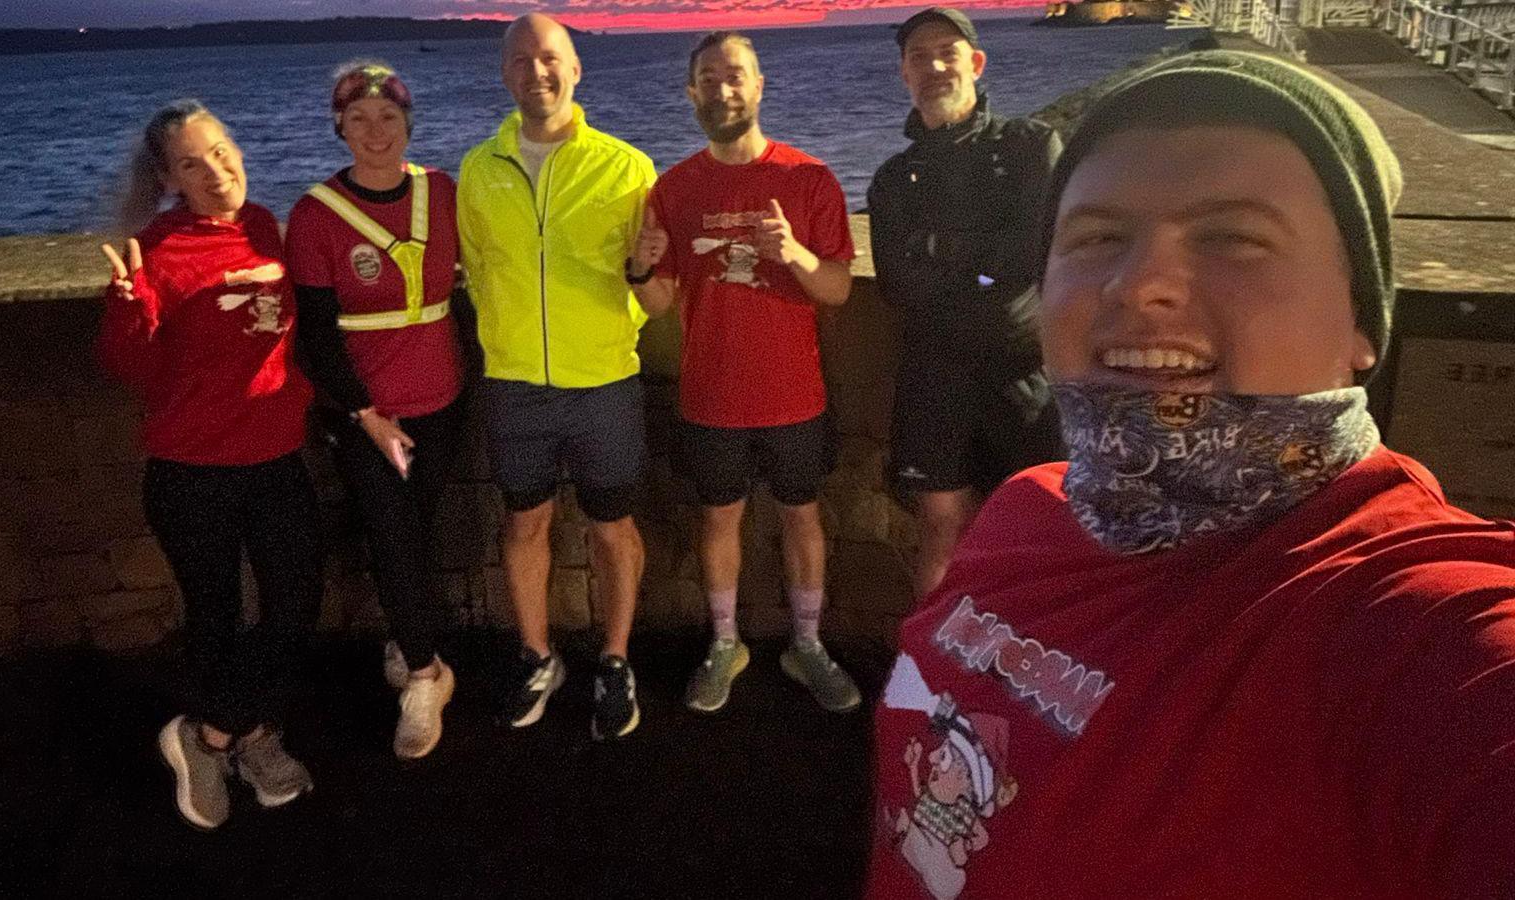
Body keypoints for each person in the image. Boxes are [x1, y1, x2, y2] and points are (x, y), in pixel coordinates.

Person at [866, 51, 1515, 897]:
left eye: (1232, 239)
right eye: (1096, 238)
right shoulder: (1028, 508)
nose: (1139, 286)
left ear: (1363, 318)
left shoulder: (1415, 637)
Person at [98, 100, 321, 830]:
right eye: (192, 163)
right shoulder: (156, 253)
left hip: (276, 457)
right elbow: (133, 370)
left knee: (293, 603)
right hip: (193, 470)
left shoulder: (261, 225)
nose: (216, 170)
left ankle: (207, 737)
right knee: (217, 616)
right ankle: (251, 740)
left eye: (221, 150)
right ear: (169, 178)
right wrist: (131, 306)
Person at [631, 32, 861, 715]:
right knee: (718, 521)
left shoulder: (808, 178)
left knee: (802, 518)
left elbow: (840, 289)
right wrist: (640, 268)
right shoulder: (672, 189)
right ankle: (725, 643)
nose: (722, 89)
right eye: (708, 78)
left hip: (795, 394)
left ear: (759, 87)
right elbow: (658, 301)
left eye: (735, 76)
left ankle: (809, 645)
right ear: (691, 94)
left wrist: (792, 252)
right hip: (711, 397)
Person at [456, 13, 656, 741]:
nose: (536, 72)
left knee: (613, 528)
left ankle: (614, 659)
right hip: (516, 383)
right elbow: (476, 271)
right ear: (505, 75)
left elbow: (648, 274)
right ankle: (537, 656)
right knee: (524, 525)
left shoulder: (627, 166)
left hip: (604, 379)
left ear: (575, 70)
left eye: (549, 59)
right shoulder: (479, 170)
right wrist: (508, 338)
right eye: (520, 61)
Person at [285, 61, 465, 761]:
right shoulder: (314, 216)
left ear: (408, 123)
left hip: (443, 399)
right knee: (391, 535)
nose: (375, 131)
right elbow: (316, 333)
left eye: (388, 116)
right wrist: (366, 413)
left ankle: (405, 634)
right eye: (358, 118)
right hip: (368, 414)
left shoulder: (442, 192)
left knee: (415, 531)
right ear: (339, 126)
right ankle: (426, 674)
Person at [868, 7, 1064, 600]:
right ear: (904, 74)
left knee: (1030, 534)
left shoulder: (1032, 147)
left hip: (1023, 375)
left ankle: (1020, 675)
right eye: (919, 57)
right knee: (941, 528)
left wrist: (943, 255)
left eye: (947, 53)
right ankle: (925, 677)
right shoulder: (893, 179)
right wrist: (980, 266)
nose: (934, 66)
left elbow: (1030, 260)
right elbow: (898, 286)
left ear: (975, 63)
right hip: (935, 376)